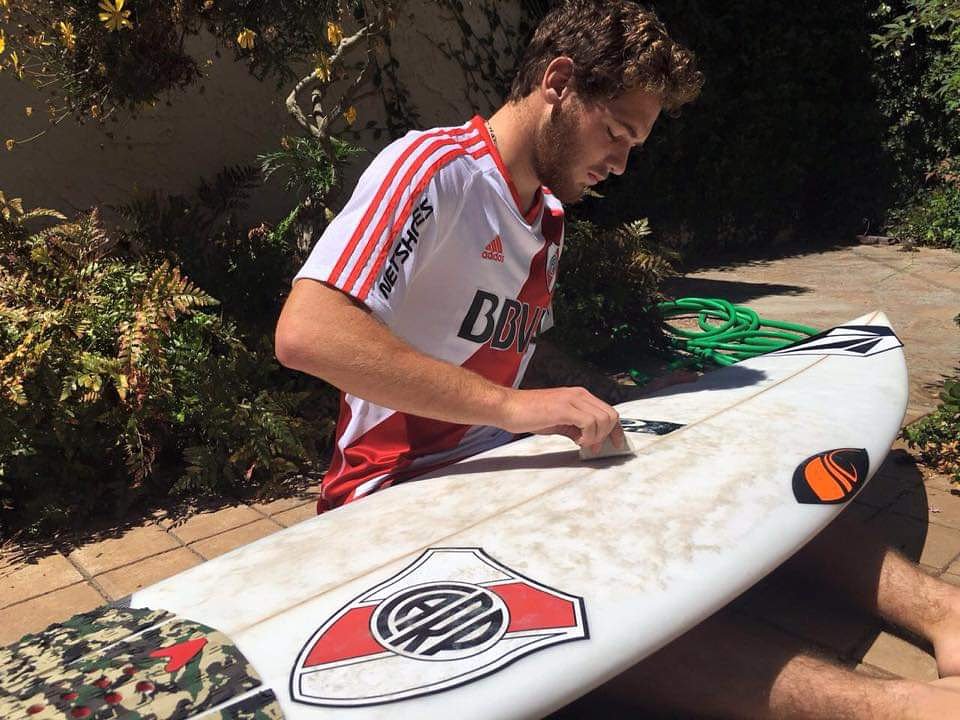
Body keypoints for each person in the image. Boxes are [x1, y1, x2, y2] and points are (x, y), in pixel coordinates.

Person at [275, 1, 960, 717]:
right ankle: (902, 709)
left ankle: (944, 611)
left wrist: (620, 398)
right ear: (559, 82)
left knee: (717, 463)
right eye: (618, 132)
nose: (623, 164)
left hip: (490, 463)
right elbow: (309, 331)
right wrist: (515, 410)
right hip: (390, 489)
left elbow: (498, 358)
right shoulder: (436, 170)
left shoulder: (546, 219)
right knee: (595, 606)